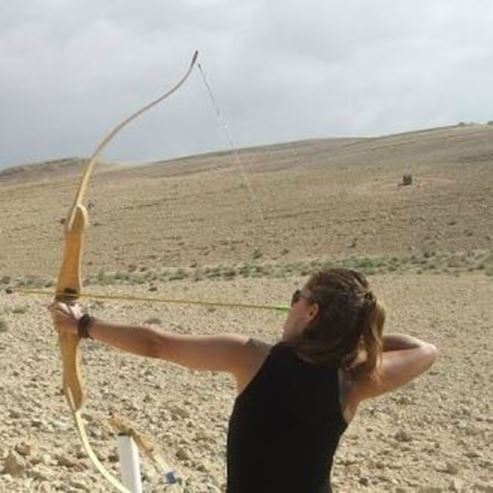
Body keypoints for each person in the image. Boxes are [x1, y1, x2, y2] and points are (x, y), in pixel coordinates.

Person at [49, 268, 438, 493]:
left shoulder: (252, 357)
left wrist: (81, 324)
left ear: (312, 312)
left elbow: (156, 344)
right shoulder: (354, 381)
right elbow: (424, 350)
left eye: (296, 297)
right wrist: (352, 340)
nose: (291, 305)